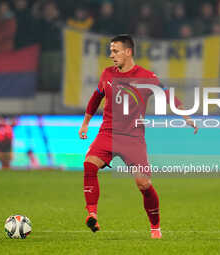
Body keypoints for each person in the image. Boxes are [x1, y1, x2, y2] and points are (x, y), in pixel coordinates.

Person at [78, 35, 198, 239]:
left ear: (128, 52)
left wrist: (186, 116)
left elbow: (167, 96)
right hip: (108, 133)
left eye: (115, 51)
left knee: (143, 184)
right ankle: (92, 214)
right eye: (111, 51)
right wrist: (86, 122)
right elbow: (96, 97)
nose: (111, 55)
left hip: (133, 138)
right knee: (89, 164)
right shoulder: (107, 74)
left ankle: (155, 227)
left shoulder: (147, 77)